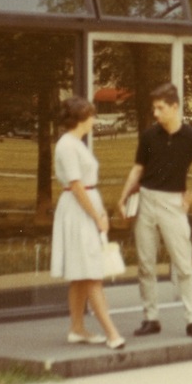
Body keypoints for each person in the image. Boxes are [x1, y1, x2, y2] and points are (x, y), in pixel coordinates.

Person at [119, 82, 192, 339]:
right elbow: (138, 168)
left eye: (160, 108)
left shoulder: (191, 137)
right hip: (147, 201)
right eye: (154, 108)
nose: (155, 113)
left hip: (174, 204)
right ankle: (150, 317)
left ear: (174, 107)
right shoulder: (149, 136)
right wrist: (123, 197)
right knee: (145, 264)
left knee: (183, 264)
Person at [51, 96, 126, 349]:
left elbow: (88, 186)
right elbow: (76, 186)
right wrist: (97, 216)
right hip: (78, 211)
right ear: (81, 119)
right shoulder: (67, 145)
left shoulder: (76, 144)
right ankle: (112, 333)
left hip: (85, 208)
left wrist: (100, 212)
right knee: (92, 273)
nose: (95, 120)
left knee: (81, 275)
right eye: (92, 115)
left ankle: (77, 328)